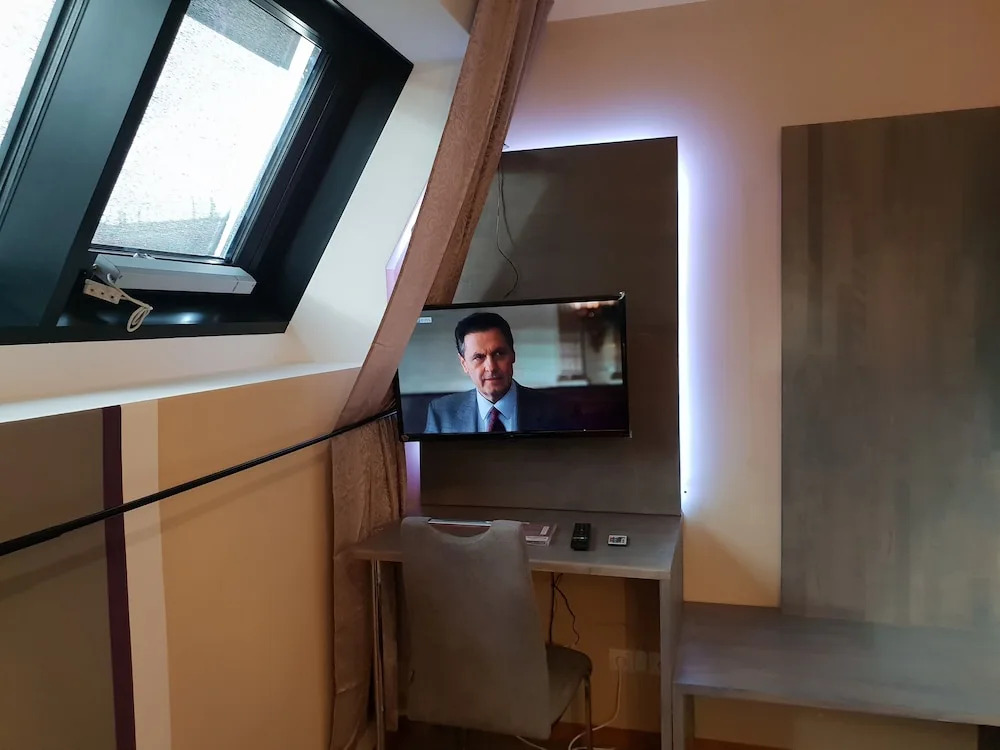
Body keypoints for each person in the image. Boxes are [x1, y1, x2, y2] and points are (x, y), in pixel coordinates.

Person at [424, 311, 562, 434]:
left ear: (513, 354)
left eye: (499, 354)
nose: (491, 367)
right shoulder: (441, 413)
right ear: (464, 364)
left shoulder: (555, 410)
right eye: (479, 357)